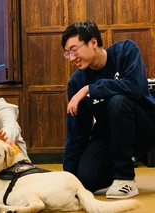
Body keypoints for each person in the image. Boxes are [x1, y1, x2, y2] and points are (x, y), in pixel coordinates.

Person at [61, 20, 155, 199]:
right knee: (85, 179)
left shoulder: (126, 50)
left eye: (74, 50)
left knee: (117, 101)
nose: (72, 58)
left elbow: (134, 87)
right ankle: (111, 170)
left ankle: (124, 177)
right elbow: (77, 133)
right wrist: (68, 178)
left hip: (143, 128)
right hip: (109, 134)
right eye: (67, 53)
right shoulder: (76, 82)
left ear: (93, 42)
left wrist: (90, 89)